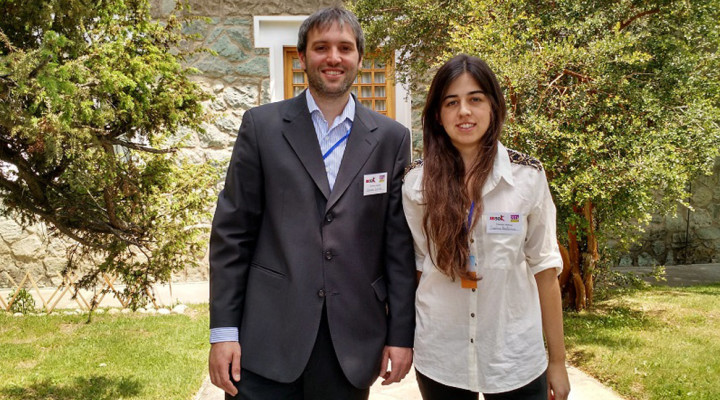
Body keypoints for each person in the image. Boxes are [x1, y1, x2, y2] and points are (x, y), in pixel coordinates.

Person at [207, 6, 416, 400]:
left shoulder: (391, 139)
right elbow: (232, 235)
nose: (333, 57)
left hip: (351, 341)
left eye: (345, 48)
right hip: (266, 338)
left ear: (359, 58)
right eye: (321, 47)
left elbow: (398, 248)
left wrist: (401, 335)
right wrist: (223, 332)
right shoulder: (262, 127)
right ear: (302, 57)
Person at [402, 54, 571, 400]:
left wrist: (557, 361)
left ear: (493, 106)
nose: (464, 111)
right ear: (437, 115)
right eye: (452, 102)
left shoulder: (527, 177)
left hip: (514, 357)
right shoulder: (416, 183)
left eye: (475, 99)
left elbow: (545, 269)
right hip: (442, 356)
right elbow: (419, 265)